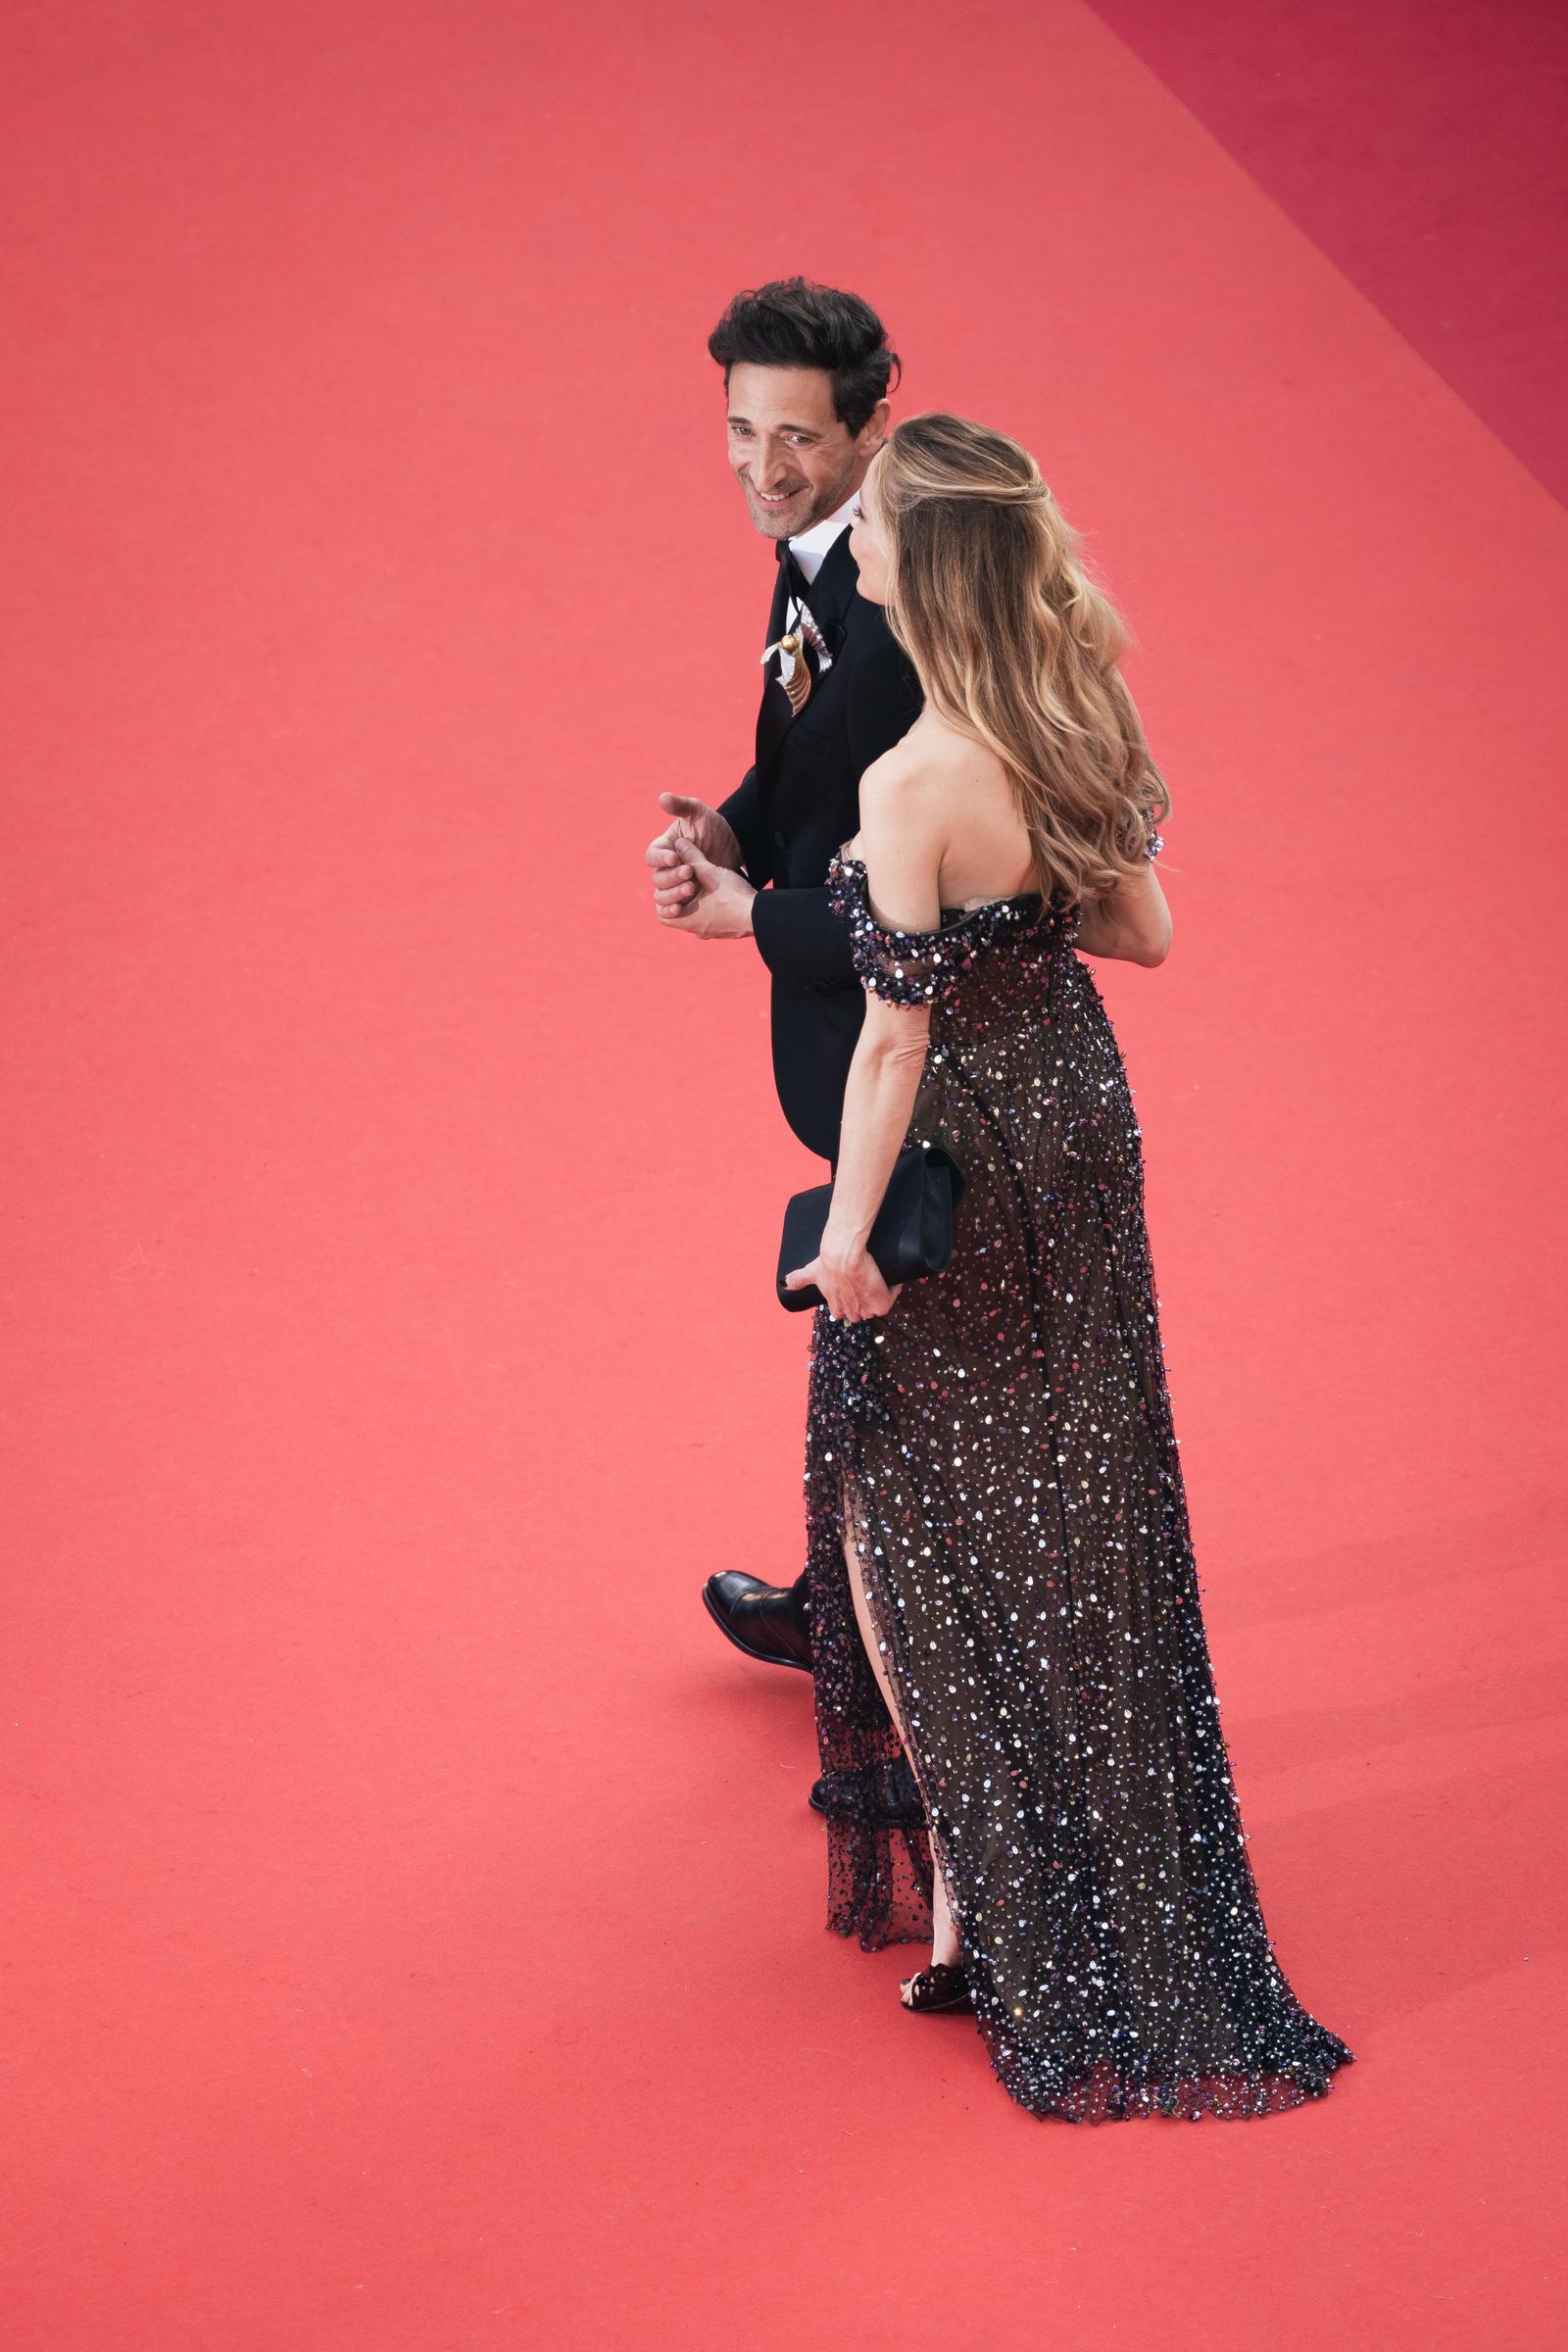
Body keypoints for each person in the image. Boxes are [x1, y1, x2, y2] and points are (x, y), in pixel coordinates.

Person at [777, 413, 1355, 2123]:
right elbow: (1143, 933)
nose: (857, 541)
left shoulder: (911, 783)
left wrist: (841, 1245)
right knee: (1087, 1490)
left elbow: (889, 1050)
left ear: (923, 568)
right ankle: (1039, 1896)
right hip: (1083, 1140)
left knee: (897, 1496)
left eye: (875, 524)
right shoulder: (1069, 716)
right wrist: (1013, 916)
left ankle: (997, 1908)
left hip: (958, 1156)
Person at [645, 280, 920, 1758]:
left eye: (798, 440)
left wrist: (748, 916)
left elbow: (931, 912)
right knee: (874, 1350)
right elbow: (811, 775)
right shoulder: (815, 545)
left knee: (901, 1343)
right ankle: (849, 1602)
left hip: (915, 1051)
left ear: (877, 422)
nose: (764, 468)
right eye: (741, 432)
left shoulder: (900, 609)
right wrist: (739, 833)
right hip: (844, 1030)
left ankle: (898, 1650)